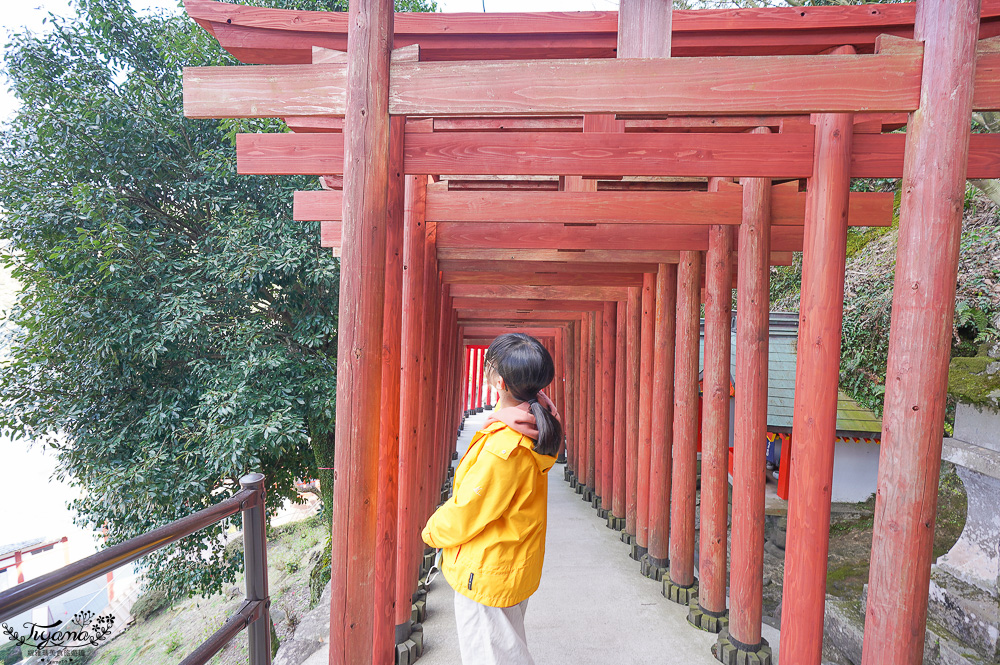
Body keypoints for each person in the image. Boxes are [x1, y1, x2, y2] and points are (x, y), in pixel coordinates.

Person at [422, 332, 563, 665]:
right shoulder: (533, 420)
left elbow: (469, 510)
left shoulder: (504, 447)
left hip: (487, 568)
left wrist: (431, 532)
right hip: (509, 560)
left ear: (499, 382)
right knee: (506, 650)